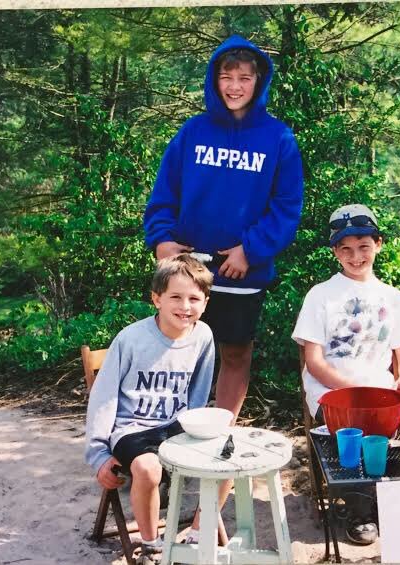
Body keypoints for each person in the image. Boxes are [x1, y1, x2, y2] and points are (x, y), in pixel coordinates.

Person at [143, 33, 303, 544]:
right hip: (189, 271)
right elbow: (163, 195)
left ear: (259, 82)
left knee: (234, 357)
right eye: (226, 76)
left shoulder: (278, 138)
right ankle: (168, 458)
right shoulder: (191, 133)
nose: (235, 85)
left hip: (240, 272)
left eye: (245, 77)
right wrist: (163, 243)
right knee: (175, 356)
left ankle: (214, 445)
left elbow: (286, 207)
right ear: (215, 80)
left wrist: (250, 250)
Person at [292, 204, 400, 545]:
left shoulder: (392, 297)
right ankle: (360, 511)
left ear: (378, 245)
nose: (356, 256)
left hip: (382, 391)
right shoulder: (320, 296)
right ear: (335, 251)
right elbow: (314, 362)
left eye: (364, 247)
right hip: (333, 392)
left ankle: (392, 499)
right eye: (346, 249)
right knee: (355, 428)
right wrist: (354, 390)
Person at [85, 254, 215, 564]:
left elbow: (199, 392)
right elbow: (103, 398)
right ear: (156, 299)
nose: (185, 306)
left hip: (176, 425)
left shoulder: (203, 336)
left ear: (206, 302)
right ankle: (151, 544)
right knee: (148, 469)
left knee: (228, 454)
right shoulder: (131, 339)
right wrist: (99, 454)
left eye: (194, 298)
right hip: (132, 428)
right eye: (176, 297)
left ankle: (197, 533)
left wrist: (195, 431)